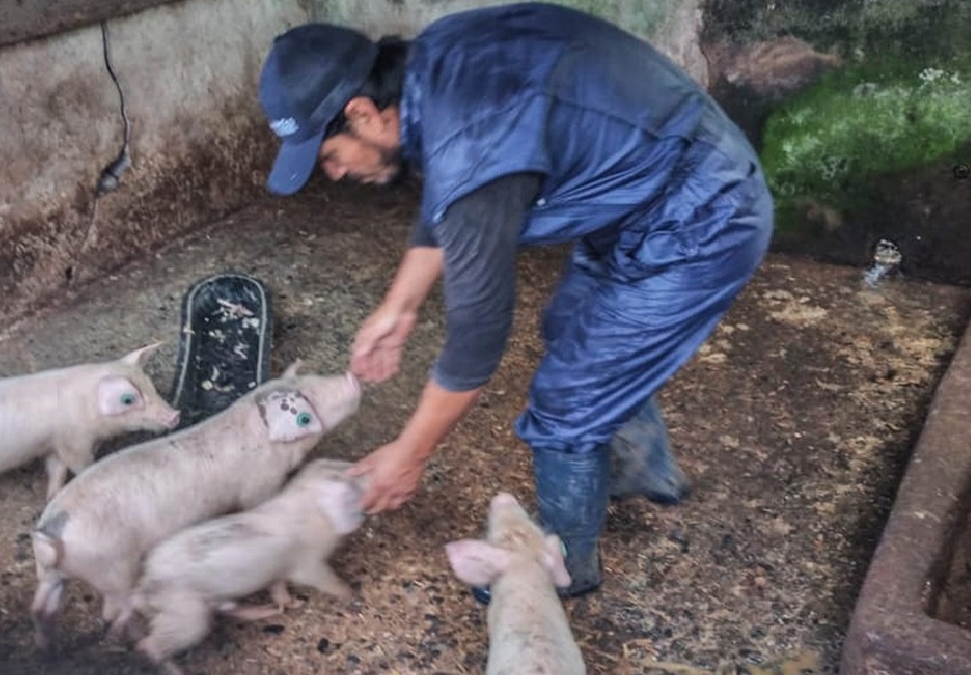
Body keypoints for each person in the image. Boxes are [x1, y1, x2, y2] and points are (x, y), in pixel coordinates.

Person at [255, 2, 774, 602]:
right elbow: (452, 185)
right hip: (645, 188)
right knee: (572, 329)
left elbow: (476, 339)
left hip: (702, 219)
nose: (337, 175)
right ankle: (642, 471)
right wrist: (400, 304)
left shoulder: (470, 140)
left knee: (568, 399)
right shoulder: (435, 63)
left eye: (329, 157)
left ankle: (558, 568)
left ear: (363, 114)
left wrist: (410, 453)